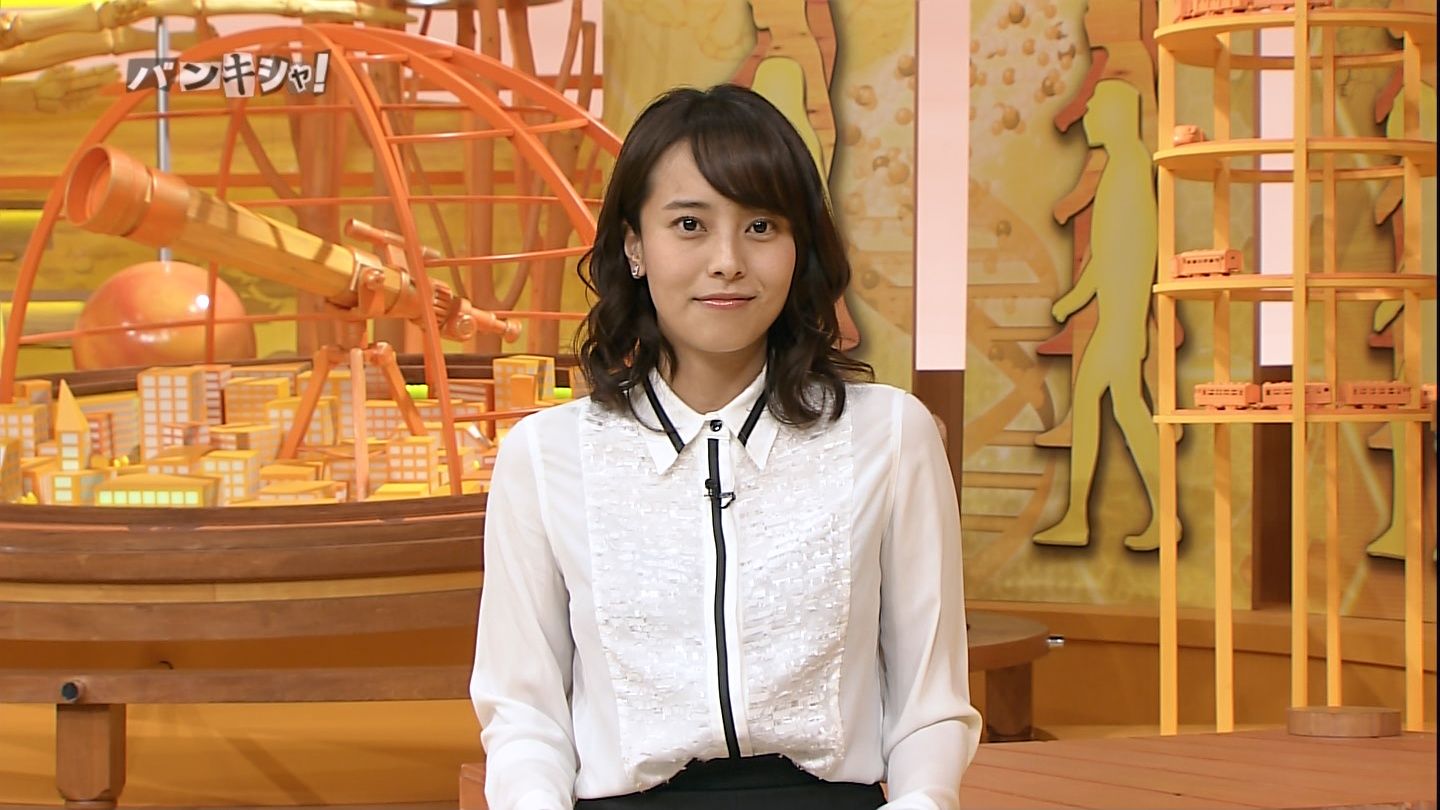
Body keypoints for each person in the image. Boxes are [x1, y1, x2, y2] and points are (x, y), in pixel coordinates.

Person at [470, 83, 980, 810]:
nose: (728, 261)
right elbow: (525, 716)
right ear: (634, 246)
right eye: (689, 224)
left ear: (799, 247)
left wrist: (923, 802)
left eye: (762, 226)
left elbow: (930, 706)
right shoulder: (546, 456)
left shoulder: (891, 436)